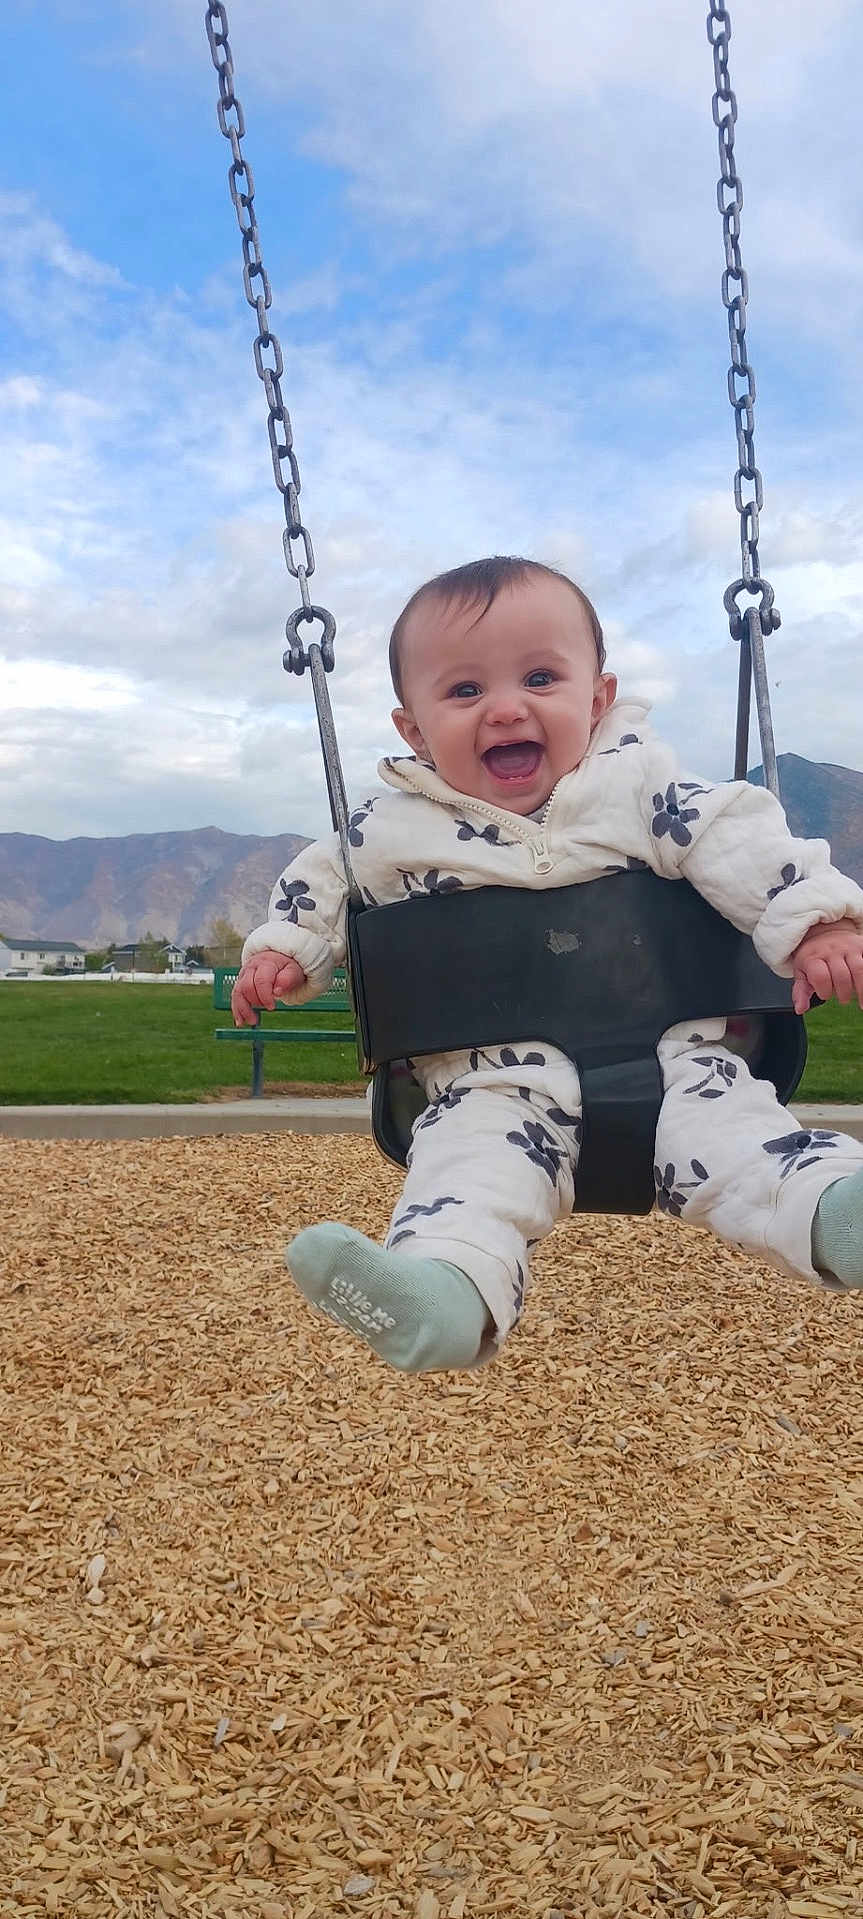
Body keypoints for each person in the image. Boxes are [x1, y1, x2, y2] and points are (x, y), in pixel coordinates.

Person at [232, 557, 863, 1372]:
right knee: (466, 1176)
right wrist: (285, 951)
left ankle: (838, 1215)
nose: (504, 708)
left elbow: (737, 837)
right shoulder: (387, 827)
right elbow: (319, 881)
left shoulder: (641, 785)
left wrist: (816, 921)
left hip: (678, 1062)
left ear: (595, 700)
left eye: (539, 677)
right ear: (414, 731)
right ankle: (445, 1296)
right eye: (463, 692)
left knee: (750, 1151)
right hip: (491, 1083)